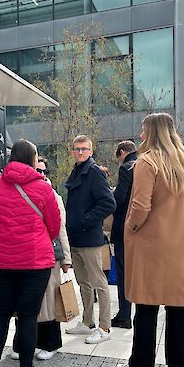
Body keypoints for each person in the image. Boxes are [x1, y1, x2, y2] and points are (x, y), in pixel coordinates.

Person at [116, 113, 184, 367]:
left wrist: (130, 229)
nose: (141, 134)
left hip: (154, 245)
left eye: (143, 129)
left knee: (146, 305)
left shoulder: (146, 162)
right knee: (179, 306)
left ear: (151, 132)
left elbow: (140, 206)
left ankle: (140, 366)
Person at [0, 139, 60, 367]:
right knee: (28, 317)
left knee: (0, 313)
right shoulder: (43, 188)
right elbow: (54, 225)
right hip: (33, 262)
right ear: (32, 159)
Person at [10, 156, 72, 360]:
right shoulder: (19, 190)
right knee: (24, 300)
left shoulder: (53, 195)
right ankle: (22, 343)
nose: (41, 174)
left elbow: (60, 229)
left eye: (44, 171)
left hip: (49, 254)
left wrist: (66, 258)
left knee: (49, 300)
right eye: (37, 170)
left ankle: (51, 343)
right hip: (24, 255)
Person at [64, 135, 116, 344]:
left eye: (84, 149)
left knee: (98, 283)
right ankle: (87, 322)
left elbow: (108, 203)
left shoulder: (94, 172)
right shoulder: (77, 171)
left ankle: (104, 327)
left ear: (90, 151)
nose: (80, 152)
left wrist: (85, 220)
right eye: (77, 149)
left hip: (89, 237)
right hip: (76, 237)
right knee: (83, 283)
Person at [110, 140, 137, 329]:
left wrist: (108, 196)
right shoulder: (144, 165)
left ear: (122, 153)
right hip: (142, 227)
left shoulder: (126, 167)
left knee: (123, 272)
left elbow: (119, 197)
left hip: (124, 227)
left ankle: (124, 314)